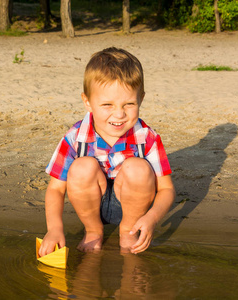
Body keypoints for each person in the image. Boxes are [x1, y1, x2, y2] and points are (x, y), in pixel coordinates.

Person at [38, 47, 175, 255]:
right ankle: (93, 232)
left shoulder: (147, 137)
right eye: (107, 104)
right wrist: (54, 229)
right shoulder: (75, 137)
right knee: (82, 166)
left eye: (129, 104)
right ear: (88, 102)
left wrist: (152, 218)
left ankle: (128, 232)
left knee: (137, 168)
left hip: (134, 206)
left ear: (141, 99)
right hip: (90, 205)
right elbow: (56, 189)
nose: (119, 114)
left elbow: (166, 189)